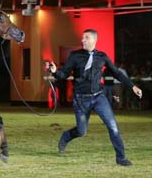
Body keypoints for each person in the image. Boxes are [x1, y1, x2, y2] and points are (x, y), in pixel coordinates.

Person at [48, 29, 142, 166]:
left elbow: (117, 73)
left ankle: (121, 158)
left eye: (86, 38)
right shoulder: (75, 56)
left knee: (113, 127)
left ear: (94, 40)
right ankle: (66, 136)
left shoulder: (102, 57)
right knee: (81, 131)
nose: (82, 40)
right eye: (82, 38)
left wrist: (132, 86)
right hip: (80, 99)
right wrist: (56, 72)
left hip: (99, 97)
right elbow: (64, 74)